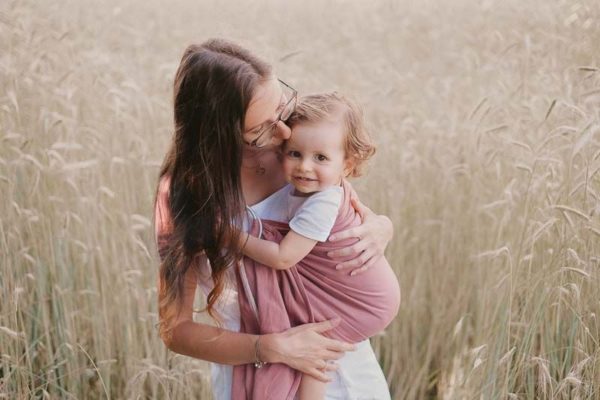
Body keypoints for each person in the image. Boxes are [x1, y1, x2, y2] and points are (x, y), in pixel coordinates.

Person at [154, 39, 395, 400]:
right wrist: (270, 348)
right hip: (257, 374)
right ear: (218, 134)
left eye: (281, 110)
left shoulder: (298, 158)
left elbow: (343, 208)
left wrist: (381, 226)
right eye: (261, 130)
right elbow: (176, 330)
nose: (283, 135)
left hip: (342, 363)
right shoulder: (184, 199)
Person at [232, 93, 401, 400]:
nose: (304, 167)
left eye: (320, 158)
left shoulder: (323, 200)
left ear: (347, 165)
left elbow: (283, 258)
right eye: (295, 153)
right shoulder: (317, 188)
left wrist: (232, 238)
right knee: (315, 344)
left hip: (363, 302)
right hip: (354, 294)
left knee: (316, 351)